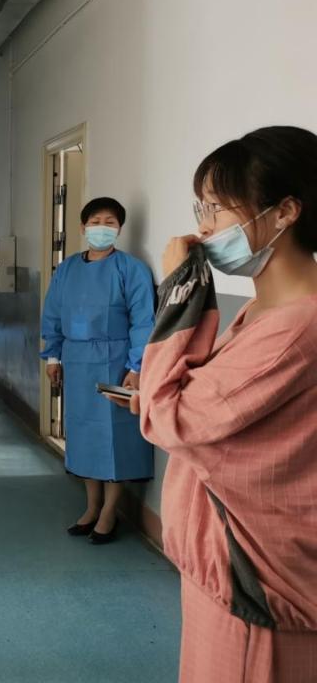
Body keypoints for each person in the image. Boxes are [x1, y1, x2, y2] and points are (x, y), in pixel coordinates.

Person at [121, 127, 317, 682]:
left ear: (285, 212)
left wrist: (181, 285)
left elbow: (170, 418)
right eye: (200, 208)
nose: (204, 226)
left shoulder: (295, 329)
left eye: (217, 207)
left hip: (258, 584)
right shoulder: (262, 313)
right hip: (224, 574)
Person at [40, 197, 155, 544]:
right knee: (84, 433)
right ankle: (92, 506)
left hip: (116, 361)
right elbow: (53, 313)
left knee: (114, 435)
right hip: (76, 362)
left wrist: (136, 366)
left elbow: (143, 322)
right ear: (82, 227)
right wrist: (53, 357)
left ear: (119, 228)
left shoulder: (131, 269)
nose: (101, 228)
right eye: (95, 222)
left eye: (110, 222)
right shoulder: (67, 269)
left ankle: (110, 511)